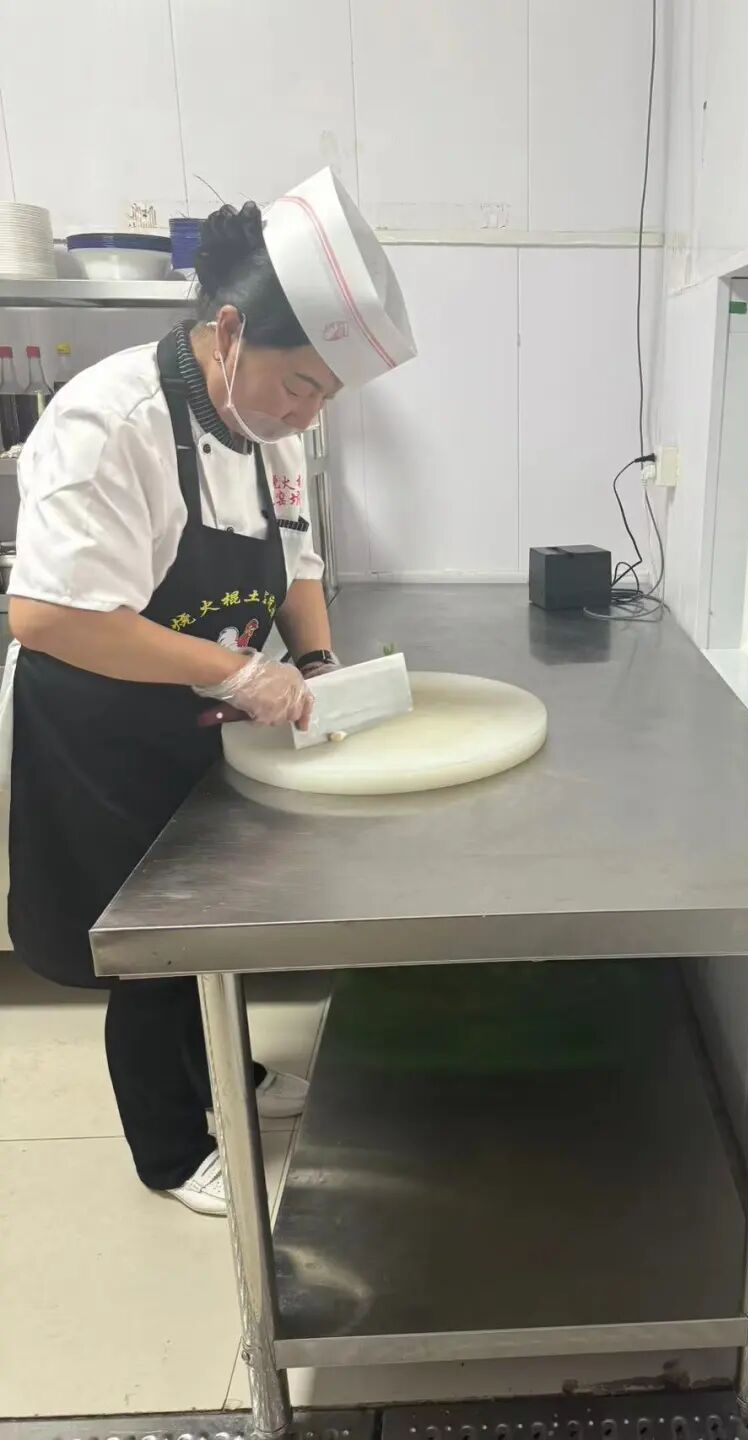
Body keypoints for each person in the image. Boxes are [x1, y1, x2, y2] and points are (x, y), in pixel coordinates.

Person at [1, 170, 416, 1216]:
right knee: (152, 947)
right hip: (100, 731)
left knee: (217, 917)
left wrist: (314, 666)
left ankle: (228, 1072)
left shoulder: (270, 429)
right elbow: (48, 617)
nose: (306, 411)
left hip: (198, 717)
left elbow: (299, 561)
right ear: (229, 332)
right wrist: (234, 670)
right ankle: (171, 1147)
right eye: (299, 384)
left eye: (325, 396)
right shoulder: (110, 422)